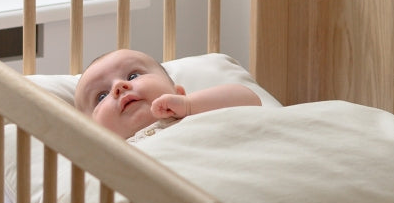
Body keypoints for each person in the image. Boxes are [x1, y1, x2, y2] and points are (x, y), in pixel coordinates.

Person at [74, 47, 261, 140]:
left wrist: (189, 104)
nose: (119, 86)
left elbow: (250, 100)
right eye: (101, 96)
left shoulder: (193, 111)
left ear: (177, 92)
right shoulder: (108, 158)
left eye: (133, 75)